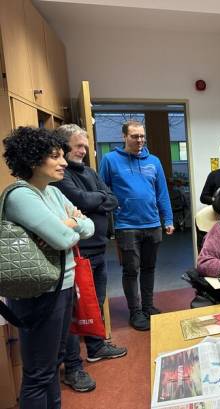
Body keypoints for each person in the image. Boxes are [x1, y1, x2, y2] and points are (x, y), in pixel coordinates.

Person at [3, 126, 95, 408]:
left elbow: (88, 227)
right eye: (55, 156)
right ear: (33, 160)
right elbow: (63, 238)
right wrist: (69, 225)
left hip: (62, 285)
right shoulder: (21, 196)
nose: (64, 162)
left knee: (53, 364)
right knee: (38, 373)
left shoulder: (52, 193)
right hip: (39, 292)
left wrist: (69, 224)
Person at [52, 124, 127, 392]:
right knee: (75, 310)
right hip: (77, 252)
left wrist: (93, 200)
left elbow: (112, 199)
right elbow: (79, 200)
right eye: (78, 145)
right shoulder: (60, 175)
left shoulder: (90, 172)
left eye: (85, 145)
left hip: (98, 249)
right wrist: (95, 200)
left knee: (95, 302)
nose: (83, 150)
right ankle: (73, 367)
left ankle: (96, 348)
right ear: (63, 147)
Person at [99, 120, 174, 331]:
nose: (139, 140)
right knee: (131, 270)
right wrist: (111, 215)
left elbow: (162, 193)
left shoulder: (154, 161)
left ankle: (148, 306)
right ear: (124, 137)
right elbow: (102, 191)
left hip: (153, 224)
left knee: (149, 268)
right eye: (134, 136)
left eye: (142, 136)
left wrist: (168, 219)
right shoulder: (110, 160)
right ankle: (135, 312)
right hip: (126, 226)